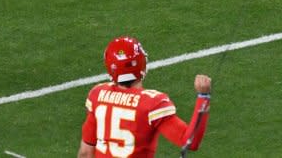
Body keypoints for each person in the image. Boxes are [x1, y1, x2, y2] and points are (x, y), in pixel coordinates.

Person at [78, 36, 212, 157]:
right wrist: (203, 96)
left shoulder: (98, 94)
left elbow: (85, 153)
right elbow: (190, 142)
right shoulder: (151, 104)